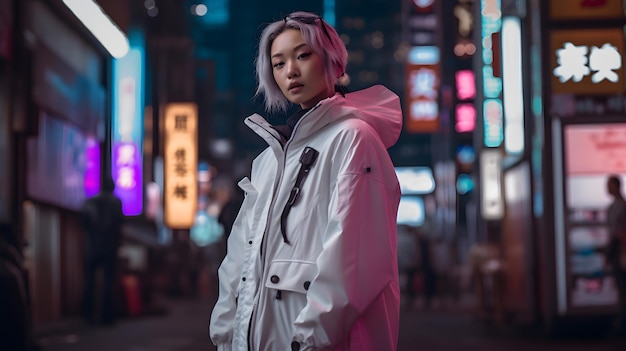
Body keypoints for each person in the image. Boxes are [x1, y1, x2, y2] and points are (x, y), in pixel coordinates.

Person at [209, 11, 402, 351]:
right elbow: (241, 257)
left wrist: (308, 340)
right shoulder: (269, 159)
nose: (291, 71)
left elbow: (356, 260)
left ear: (333, 61)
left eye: (302, 55)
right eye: (278, 63)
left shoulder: (354, 139)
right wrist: (226, 336)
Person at [80, 175, 124, 325]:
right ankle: (106, 316)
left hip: (92, 246)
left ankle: (88, 315)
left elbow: (83, 222)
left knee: (90, 282)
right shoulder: (116, 202)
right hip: (109, 246)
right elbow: (119, 224)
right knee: (107, 282)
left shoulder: (91, 201)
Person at [605, 175, 626, 332]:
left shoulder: (620, 207)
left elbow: (617, 232)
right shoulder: (615, 207)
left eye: (609, 185)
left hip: (620, 252)